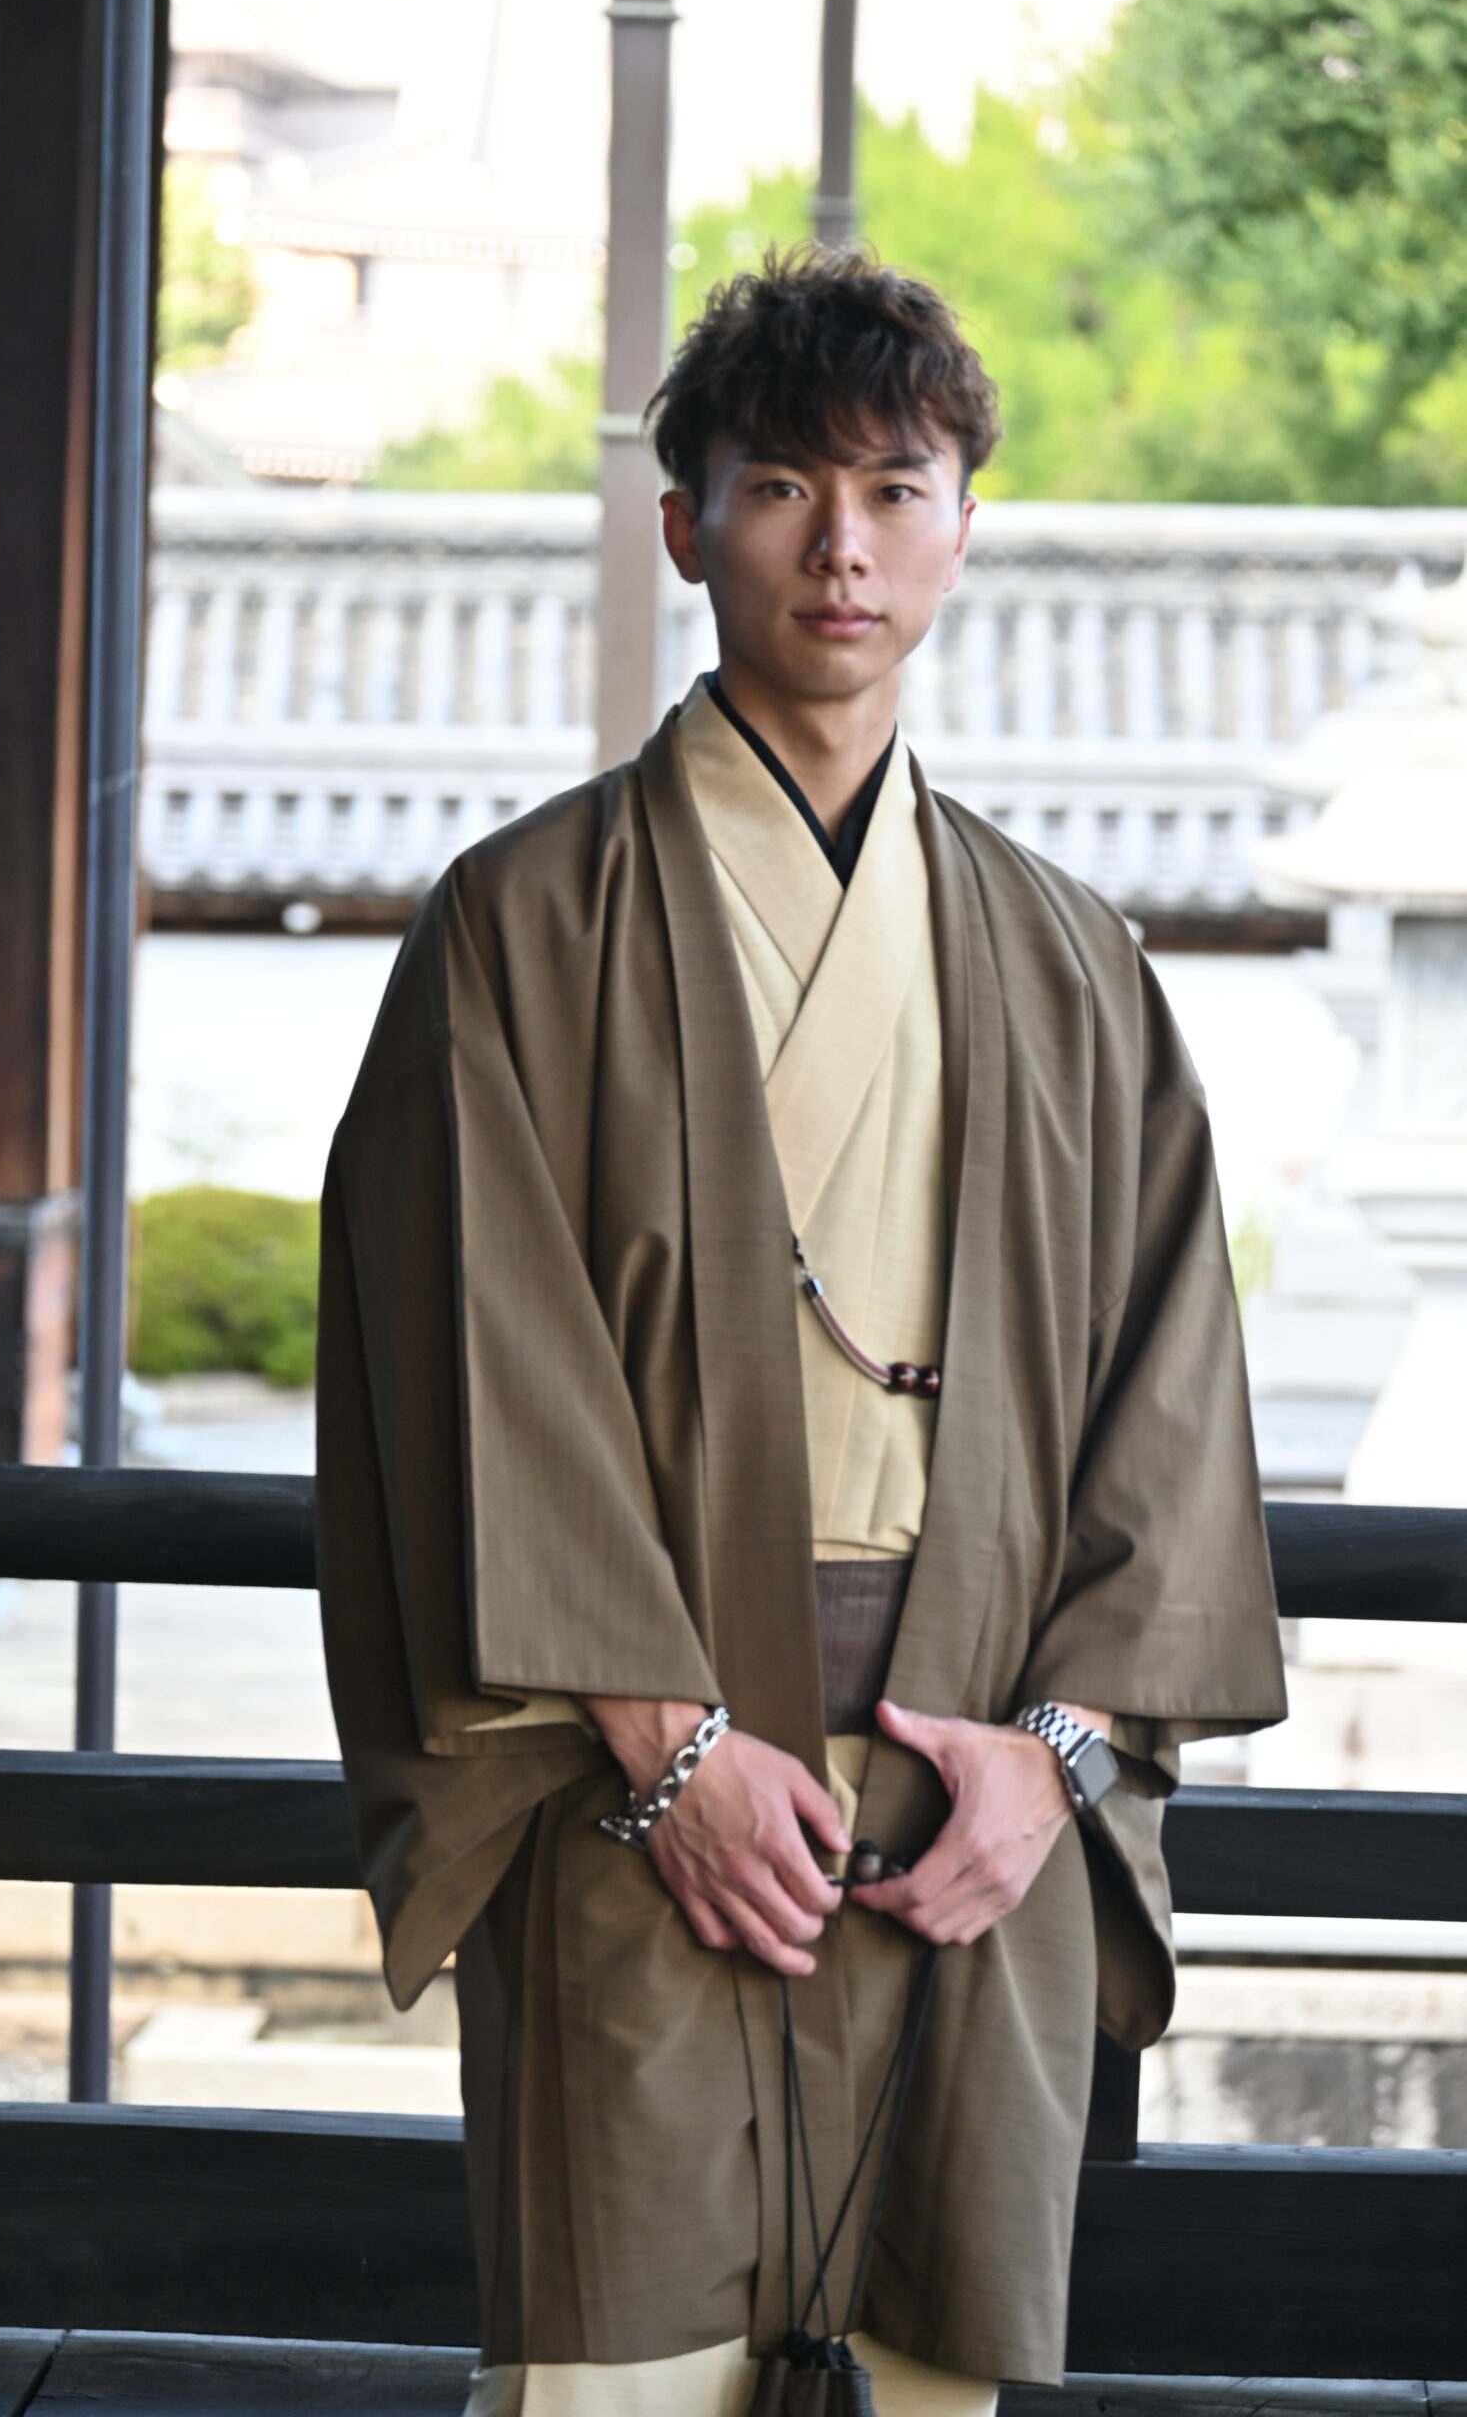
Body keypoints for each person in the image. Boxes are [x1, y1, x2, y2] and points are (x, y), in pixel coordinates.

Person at [316, 244, 1287, 2415]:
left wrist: (1055, 1760)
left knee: (932, 2368)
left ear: (963, 528)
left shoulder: (1068, 958)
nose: (840, 544)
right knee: (616, 2367)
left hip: (967, 1804)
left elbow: (1169, 1399)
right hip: (632, 1777)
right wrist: (667, 1747)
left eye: (895, 487)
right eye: (780, 486)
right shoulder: (521, 924)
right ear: (686, 525)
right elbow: (463, 1363)